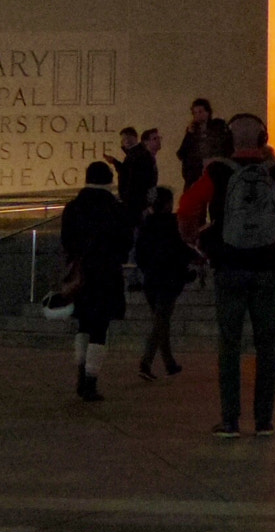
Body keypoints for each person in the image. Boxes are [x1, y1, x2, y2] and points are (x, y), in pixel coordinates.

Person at [177, 111, 275, 436]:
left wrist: (193, 239)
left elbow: (188, 207)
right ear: (264, 140)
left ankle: (230, 420)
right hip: (267, 269)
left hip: (229, 267)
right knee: (267, 347)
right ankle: (264, 422)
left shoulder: (217, 171)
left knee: (229, 345)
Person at [61, 160, 133, 401]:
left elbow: (66, 241)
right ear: (109, 181)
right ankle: (91, 381)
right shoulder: (116, 209)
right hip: (107, 273)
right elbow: (125, 242)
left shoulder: (73, 207)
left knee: (83, 324)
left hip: (81, 273)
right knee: (100, 328)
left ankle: (81, 374)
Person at [135, 186, 196, 379]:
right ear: (168, 203)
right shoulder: (172, 224)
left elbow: (139, 255)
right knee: (161, 321)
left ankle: (169, 362)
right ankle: (146, 362)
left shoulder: (145, 225)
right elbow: (180, 249)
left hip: (151, 279)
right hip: (168, 279)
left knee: (161, 321)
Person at [177, 98, 235, 189]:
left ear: (207, 112)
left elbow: (227, 148)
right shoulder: (192, 132)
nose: (197, 116)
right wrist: (189, 134)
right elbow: (181, 153)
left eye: (200, 112)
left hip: (214, 172)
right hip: (195, 175)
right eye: (195, 113)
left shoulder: (218, 128)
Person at [114, 127, 161, 215]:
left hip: (135, 201)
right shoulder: (135, 154)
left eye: (127, 138)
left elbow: (131, 177)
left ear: (135, 138)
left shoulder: (138, 155)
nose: (125, 141)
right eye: (124, 139)